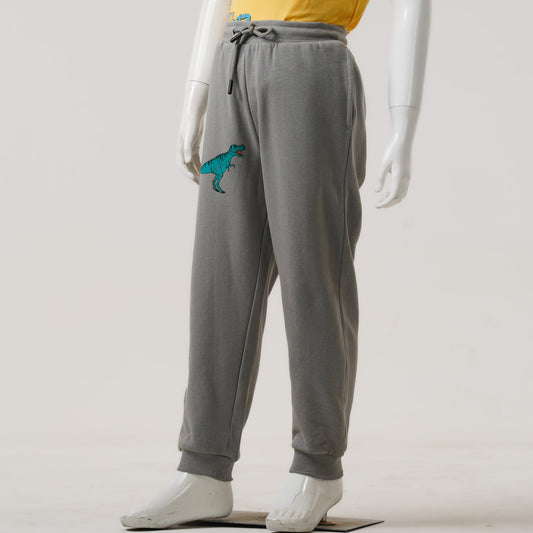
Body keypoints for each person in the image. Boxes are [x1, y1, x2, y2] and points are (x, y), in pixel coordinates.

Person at [121, 0, 431, 530]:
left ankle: (317, 465)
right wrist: (196, 92)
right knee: (220, 275)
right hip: (232, 58)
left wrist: (404, 127)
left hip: (311, 64)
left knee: (314, 273)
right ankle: (203, 468)